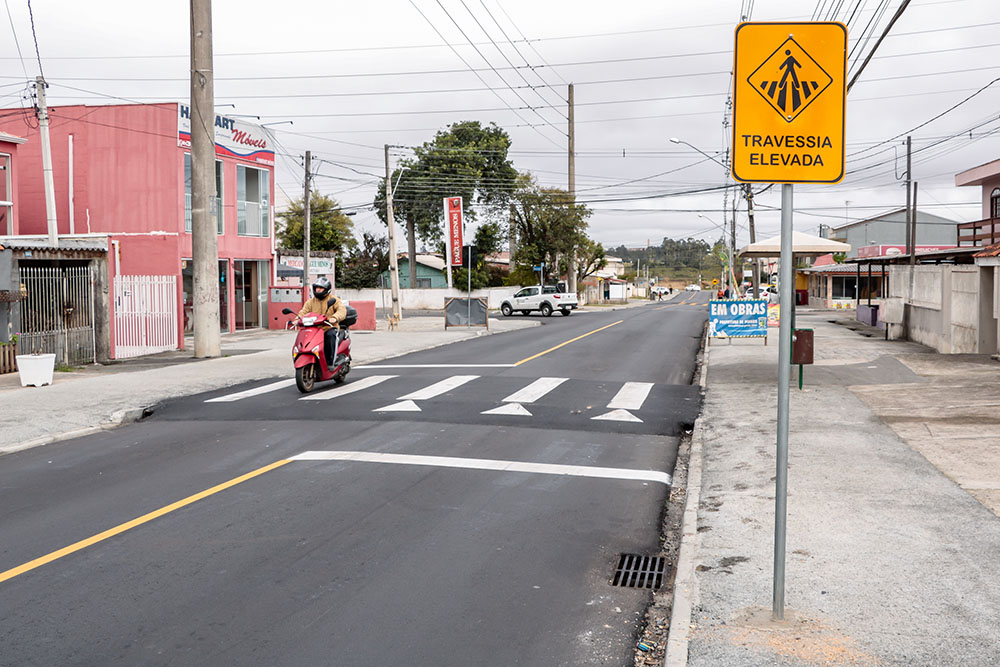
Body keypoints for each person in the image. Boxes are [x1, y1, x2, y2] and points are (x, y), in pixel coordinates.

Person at [297, 276, 347, 365]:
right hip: (314, 329)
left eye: (321, 288)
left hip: (329, 327)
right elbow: (303, 312)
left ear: (326, 289)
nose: (318, 290)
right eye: (316, 288)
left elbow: (341, 310)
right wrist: (297, 319)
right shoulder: (310, 302)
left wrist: (335, 317)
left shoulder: (334, 300)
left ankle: (331, 361)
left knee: (331, 336)